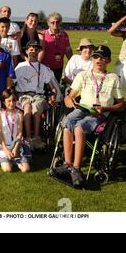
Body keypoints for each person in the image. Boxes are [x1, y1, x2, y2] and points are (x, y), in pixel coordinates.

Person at [55, 46, 124, 187]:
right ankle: (68, 164)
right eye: (96, 56)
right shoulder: (83, 75)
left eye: (102, 57)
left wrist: (106, 108)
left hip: (100, 113)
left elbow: (122, 105)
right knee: (67, 122)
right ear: (92, 59)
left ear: (109, 60)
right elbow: (70, 96)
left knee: (79, 128)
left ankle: (76, 169)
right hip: (81, 109)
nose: (99, 59)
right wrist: (68, 100)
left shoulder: (113, 78)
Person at [14, 40, 57, 149]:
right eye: (31, 49)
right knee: (27, 108)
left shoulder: (43, 68)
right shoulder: (20, 66)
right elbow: (11, 82)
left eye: (36, 50)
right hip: (24, 94)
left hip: (38, 95)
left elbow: (52, 86)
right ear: (27, 51)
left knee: (36, 109)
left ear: (39, 52)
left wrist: (53, 95)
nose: (33, 52)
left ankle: (37, 137)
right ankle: (28, 138)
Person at [0, 89, 30, 173]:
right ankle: (8, 159)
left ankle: (15, 159)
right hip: (2, 146)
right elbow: (0, 133)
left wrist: (16, 147)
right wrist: (5, 149)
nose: (11, 103)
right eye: (8, 101)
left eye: (14, 100)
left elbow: (20, 133)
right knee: (7, 169)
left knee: (26, 169)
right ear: (3, 102)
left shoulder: (19, 113)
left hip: (15, 144)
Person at [41, 12, 73, 83]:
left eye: (57, 22)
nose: (55, 24)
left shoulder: (64, 35)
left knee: (57, 86)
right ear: (48, 23)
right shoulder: (43, 34)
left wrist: (73, 62)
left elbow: (68, 51)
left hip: (59, 67)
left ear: (60, 22)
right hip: (46, 67)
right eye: (53, 22)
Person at [107, 15, 126, 86]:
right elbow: (110, 31)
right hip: (122, 62)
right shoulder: (125, 33)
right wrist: (122, 20)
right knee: (117, 88)